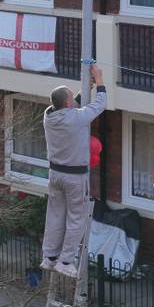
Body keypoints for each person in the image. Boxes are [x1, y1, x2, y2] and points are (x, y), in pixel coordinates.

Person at [40, 64, 107, 277]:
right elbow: (100, 104)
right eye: (71, 98)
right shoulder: (75, 118)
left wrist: (87, 85)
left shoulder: (49, 115)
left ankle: (50, 257)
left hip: (55, 175)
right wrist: (100, 81)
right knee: (77, 218)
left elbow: (74, 104)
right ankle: (66, 261)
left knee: (55, 215)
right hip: (74, 177)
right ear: (67, 103)